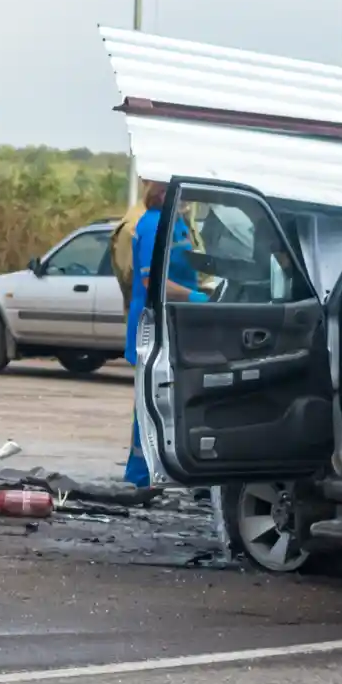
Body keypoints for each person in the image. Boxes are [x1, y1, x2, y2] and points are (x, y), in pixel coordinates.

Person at [123, 182, 209, 486]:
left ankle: (169, 470)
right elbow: (152, 282)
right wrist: (196, 297)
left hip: (176, 320)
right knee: (149, 400)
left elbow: (184, 269)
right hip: (153, 323)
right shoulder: (153, 225)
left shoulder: (178, 223)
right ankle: (139, 476)